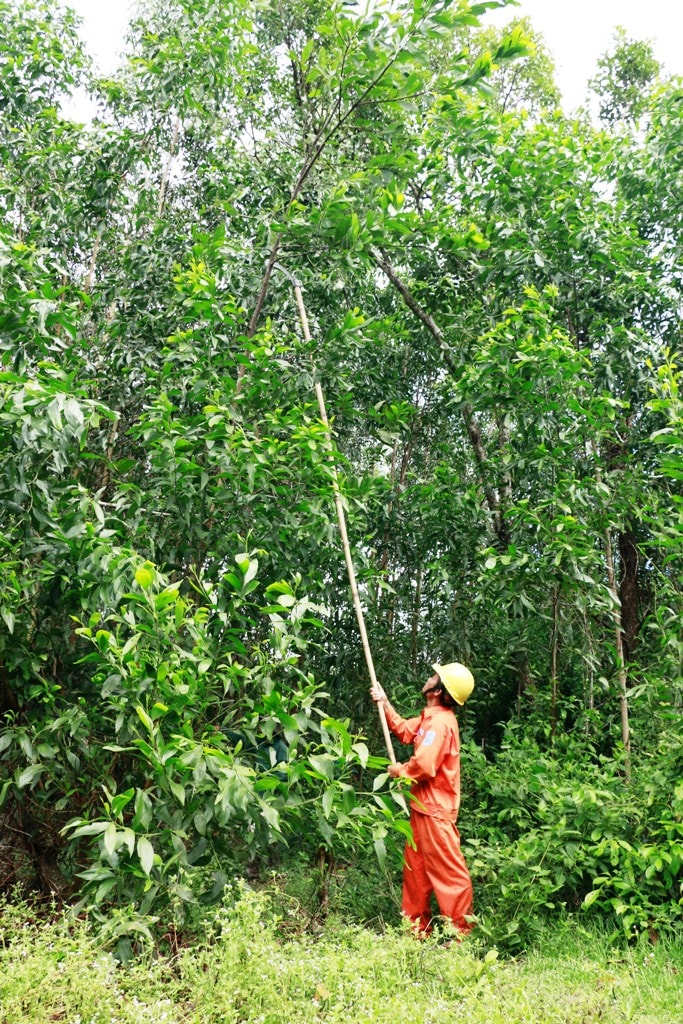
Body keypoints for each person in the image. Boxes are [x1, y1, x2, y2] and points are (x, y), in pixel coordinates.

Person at [371, 662, 474, 935]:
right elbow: (406, 731)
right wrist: (385, 703)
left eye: (434, 676)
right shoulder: (431, 718)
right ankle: (416, 936)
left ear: (439, 690)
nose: (429, 678)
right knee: (415, 875)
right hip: (422, 811)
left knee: (450, 877)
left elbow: (425, 765)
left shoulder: (440, 724)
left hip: (435, 812)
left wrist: (400, 771)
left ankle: (460, 938)